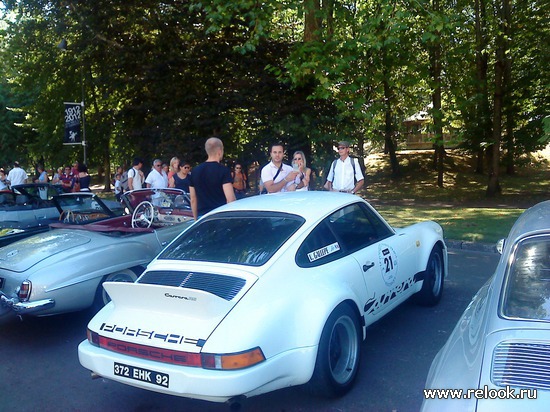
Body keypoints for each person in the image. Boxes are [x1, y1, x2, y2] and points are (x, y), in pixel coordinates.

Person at [189, 137, 235, 220]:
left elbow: (193, 198)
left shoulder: (195, 171)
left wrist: (195, 219)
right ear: (220, 151)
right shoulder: (223, 170)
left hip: (202, 217)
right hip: (220, 216)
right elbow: (230, 198)